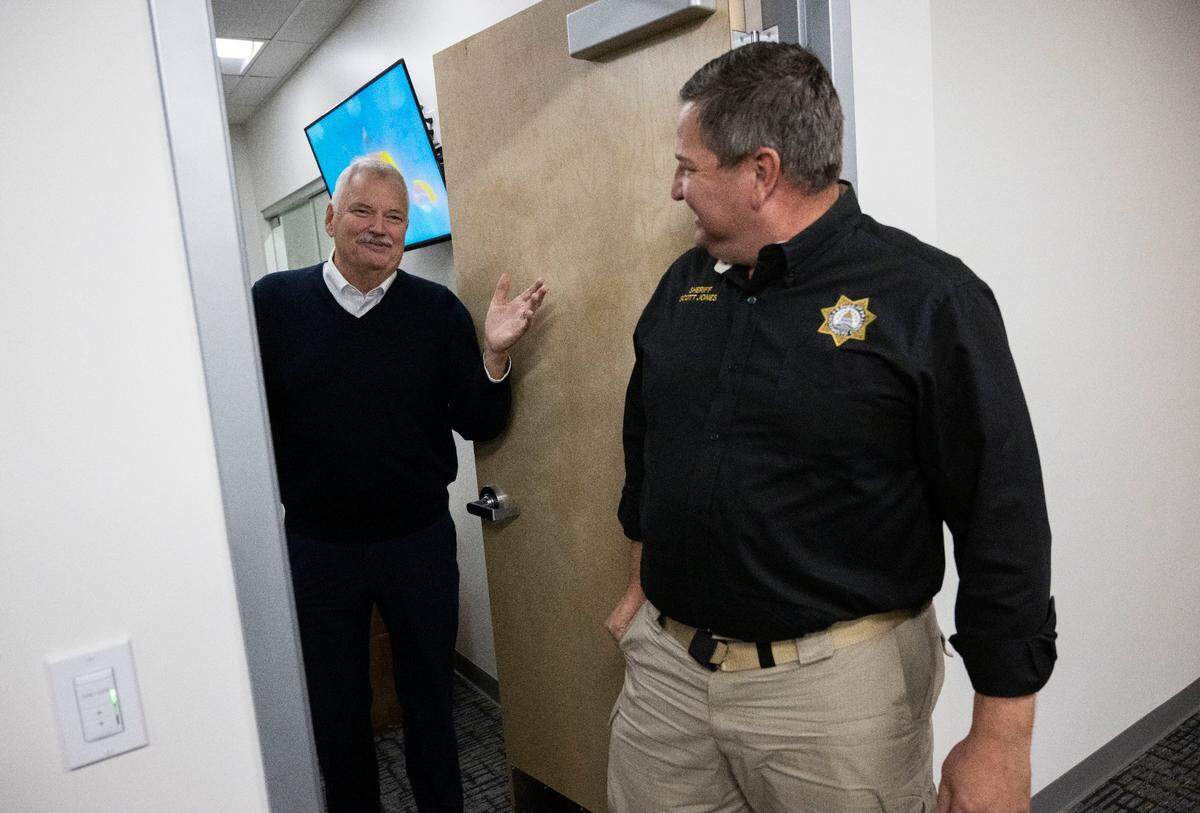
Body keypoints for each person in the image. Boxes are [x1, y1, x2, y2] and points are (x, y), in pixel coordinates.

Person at [606, 43, 1055, 813]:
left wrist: (1001, 738)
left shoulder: (928, 299)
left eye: (689, 165)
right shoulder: (682, 284)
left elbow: (1001, 520)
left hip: (836, 697)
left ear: (762, 173)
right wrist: (641, 582)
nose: (674, 186)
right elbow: (649, 441)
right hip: (669, 678)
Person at [252, 156, 546, 812]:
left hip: (417, 542)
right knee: (338, 713)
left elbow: (477, 419)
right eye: (362, 211)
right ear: (331, 218)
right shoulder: (271, 305)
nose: (379, 228)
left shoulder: (436, 311)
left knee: (430, 706)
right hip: (318, 547)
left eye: (395, 217)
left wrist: (494, 354)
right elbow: (246, 425)